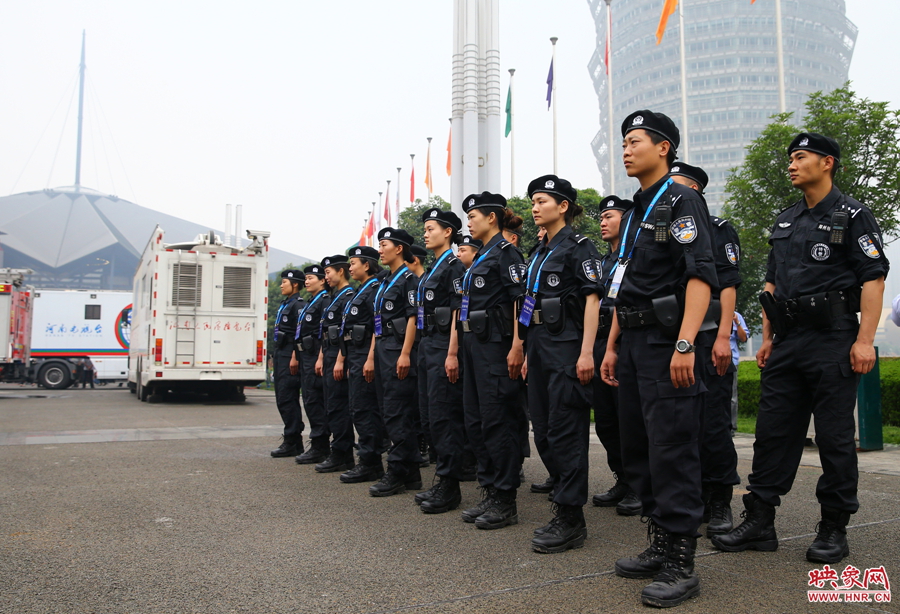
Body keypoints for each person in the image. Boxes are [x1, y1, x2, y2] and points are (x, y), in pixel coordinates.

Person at [711, 133, 888, 565]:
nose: (792, 164)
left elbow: (873, 278)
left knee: (834, 438)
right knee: (773, 433)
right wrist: (768, 339)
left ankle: (833, 526)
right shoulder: (786, 220)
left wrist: (864, 340)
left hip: (833, 339)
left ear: (827, 162)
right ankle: (760, 521)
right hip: (788, 342)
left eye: (800, 157)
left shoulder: (854, 216)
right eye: (790, 157)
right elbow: (772, 286)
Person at [601, 110, 718, 607]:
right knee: (639, 448)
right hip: (631, 342)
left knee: (671, 449)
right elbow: (622, 282)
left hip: (666, 342)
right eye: (623, 143)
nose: (625, 150)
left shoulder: (680, 199)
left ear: (663, 148)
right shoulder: (636, 210)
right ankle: (658, 542)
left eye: (634, 141)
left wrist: (686, 343)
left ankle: (681, 562)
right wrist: (611, 345)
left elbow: (699, 275)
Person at [522, 175, 602, 554]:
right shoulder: (537, 252)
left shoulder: (580, 248)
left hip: (567, 347)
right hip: (538, 346)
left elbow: (592, 301)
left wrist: (587, 352)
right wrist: (521, 348)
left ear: (563, 206)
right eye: (533, 201)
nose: (535, 207)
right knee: (546, 430)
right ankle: (563, 503)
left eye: (541, 201)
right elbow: (527, 305)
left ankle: (571, 518)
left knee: (567, 431)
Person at [670, 162, 742, 538]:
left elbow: (727, 284)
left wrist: (722, 337)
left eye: (677, 184)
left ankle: (720, 500)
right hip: (674, 337)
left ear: (695, 190)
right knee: (683, 424)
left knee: (713, 424)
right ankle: (692, 497)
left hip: (708, 336)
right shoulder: (664, 231)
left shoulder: (717, 229)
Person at [457, 192, 526, 530]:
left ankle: (505, 498)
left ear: (492, 218)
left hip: (497, 347)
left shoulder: (506, 253)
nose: (469, 220)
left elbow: (520, 300)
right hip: (473, 345)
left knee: (499, 420)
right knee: (476, 420)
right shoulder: (481, 255)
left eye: (474, 215)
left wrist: (518, 345)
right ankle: (489, 489)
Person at [414, 207, 468, 513]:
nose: (426, 232)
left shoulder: (453, 266)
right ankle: (441, 478)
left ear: (448, 232)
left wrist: (451, 353)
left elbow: (459, 311)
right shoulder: (434, 267)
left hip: (443, 346)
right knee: (430, 415)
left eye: (431, 227)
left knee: (445, 416)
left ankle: (450, 486)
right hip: (427, 344)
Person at [590, 195, 641, 516]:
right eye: (601, 217)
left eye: (610, 216)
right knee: (607, 420)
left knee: (630, 419)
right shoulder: (603, 262)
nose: (603, 222)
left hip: (624, 342)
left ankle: (639, 484)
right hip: (599, 340)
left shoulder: (634, 256)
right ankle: (622, 477)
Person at [369, 227, 424, 496]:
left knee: (398, 411)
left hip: (398, 348)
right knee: (388, 409)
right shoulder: (384, 281)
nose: (380, 250)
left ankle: (398, 470)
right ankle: (411, 474)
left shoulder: (408, 280)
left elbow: (414, 317)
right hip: (383, 347)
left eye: (384, 244)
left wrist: (405, 353)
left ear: (399, 248)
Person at [335, 246, 388, 484]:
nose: (350, 267)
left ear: (367, 265)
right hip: (355, 354)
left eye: (353, 263)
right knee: (358, 407)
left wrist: (370, 358)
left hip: (365, 354)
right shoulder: (360, 290)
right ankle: (368, 460)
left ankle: (370, 462)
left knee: (365, 409)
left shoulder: (374, 289)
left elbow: (378, 325)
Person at [313, 256, 356, 473]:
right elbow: (327, 331)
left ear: (341, 271)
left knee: (339, 406)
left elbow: (345, 332)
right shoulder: (333, 297)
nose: (326, 276)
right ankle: (338, 451)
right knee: (331, 404)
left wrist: (341, 359)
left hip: (339, 356)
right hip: (328, 353)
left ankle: (343, 454)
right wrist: (321, 357)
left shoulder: (348, 296)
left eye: (328, 272)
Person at [294, 264, 332, 464]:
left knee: (316, 400)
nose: (306, 282)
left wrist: (320, 356)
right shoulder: (311, 301)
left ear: (322, 281)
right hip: (305, 355)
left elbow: (323, 331)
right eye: (306, 278)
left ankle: (321, 445)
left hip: (315, 354)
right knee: (309, 399)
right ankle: (319, 443)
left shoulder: (324, 300)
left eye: (311, 278)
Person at [270, 269, 306, 458]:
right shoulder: (286, 304)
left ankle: (293, 440)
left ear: (295, 284)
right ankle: (291, 438)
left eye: (285, 282)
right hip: (280, 353)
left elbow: (297, 333)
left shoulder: (298, 305)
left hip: (289, 355)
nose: (281, 285)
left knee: (287, 397)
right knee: (281, 397)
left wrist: (294, 356)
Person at [729, 311, 747, 435]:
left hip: (731, 360)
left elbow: (744, 338)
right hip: (710, 359)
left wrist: (737, 322)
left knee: (731, 396)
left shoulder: (736, 315)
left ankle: (731, 426)